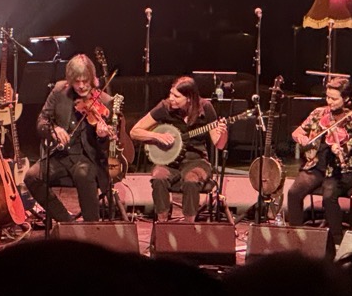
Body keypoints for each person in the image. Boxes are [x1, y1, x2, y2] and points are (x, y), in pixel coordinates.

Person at [24, 54, 113, 223]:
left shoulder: (104, 101)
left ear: (92, 79)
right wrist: (54, 130)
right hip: (61, 156)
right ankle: (66, 221)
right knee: (31, 176)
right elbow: (41, 121)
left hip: (87, 158)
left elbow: (108, 146)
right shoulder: (59, 91)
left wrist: (102, 136)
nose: (81, 86)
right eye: (76, 81)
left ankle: (92, 226)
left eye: (85, 81)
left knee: (83, 173)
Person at [129, 75, 226, 221]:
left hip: (196, 161)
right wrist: (157, 136)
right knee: (158, 177)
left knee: (191, 180)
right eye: (171, 93)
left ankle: (187, 227)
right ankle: (162, 223)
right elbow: (134, 132)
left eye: (176, 96)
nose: (171, 98)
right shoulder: (165, 107)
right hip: (169, 161)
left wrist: (223, 133)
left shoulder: (205, 108)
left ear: (189, 98)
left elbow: (219, 144)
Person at [286, 75, 352, 240]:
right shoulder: (318, 113)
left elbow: (350, 148)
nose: (330, 102)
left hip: (340, 170)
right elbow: (297, 132)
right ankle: (296, 237)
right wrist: (302, 138)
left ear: (346, 98)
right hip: (316, 166)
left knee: (329, 196)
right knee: (293, 193)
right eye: (328, 97)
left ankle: (336, 240)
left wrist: (339, 149)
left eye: (334, 99)